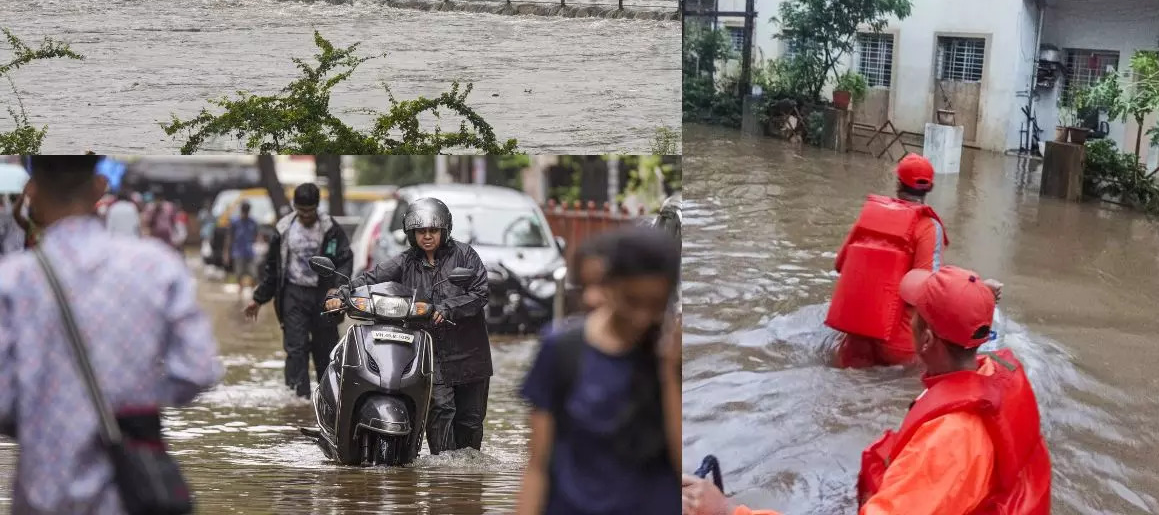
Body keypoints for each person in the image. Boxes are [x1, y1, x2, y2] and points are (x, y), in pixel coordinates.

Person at [683, 265, 1052, 515]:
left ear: (925, 339)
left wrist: (729, 510)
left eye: (914, 315)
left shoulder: (950, 440)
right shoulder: (992, 370)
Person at [0, 155, 223, 514]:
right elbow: (198, 371)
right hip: (132, 491)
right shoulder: (157, 267)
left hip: (42, 493)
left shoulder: (12, 281)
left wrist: (48, 409)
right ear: (99, 188)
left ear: (31, 192)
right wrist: (135, 398)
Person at [516, 227, 682, 515]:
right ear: (610, 286)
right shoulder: (562, 350)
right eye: (633, 301)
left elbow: (684, 465)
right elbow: (537, 465)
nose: (643, 317)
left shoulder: (671, 354)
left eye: (655, 305)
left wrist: (669, 373)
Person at [338, 197, 492, 454]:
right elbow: (371, 278)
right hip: (431, 353)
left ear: (445, 230)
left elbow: (480, 293)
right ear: (412, 234)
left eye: (433, 231)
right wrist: (341, 293)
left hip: (470, 353)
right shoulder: (404, 261)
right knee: (440, 410)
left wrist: (448, 307)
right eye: (421, 231)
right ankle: (443, 470)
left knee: (471, 420)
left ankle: (467, 482)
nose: (427, 237)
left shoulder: (465, 255)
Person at [826, 153, 949, 368]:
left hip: (856, 336)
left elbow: (840, 266)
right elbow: (926, 292)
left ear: (898, 183)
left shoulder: (871, 216)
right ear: (930, 188)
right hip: (899, 344)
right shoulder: (929, 227)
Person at [244, 183, 352, 400]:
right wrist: (258, 298)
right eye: (301, 211)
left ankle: (327, 398)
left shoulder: (330, 229)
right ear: (294, 206)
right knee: (296, 348)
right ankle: (297, 400)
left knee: (326, 349)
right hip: (293, 294)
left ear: (317, 207)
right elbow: (273, 268)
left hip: (324, 296)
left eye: (309, 211)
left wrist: (337, 289)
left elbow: (345, 260)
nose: (305, 216)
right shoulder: (284, 229)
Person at [226, 201, 259, 295]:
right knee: (239, 274)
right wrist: (227, 253)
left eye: (247, 212)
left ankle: (254, 295)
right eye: (244, 211)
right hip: (238, 252)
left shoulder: (253, 222)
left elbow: (256, 236)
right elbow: (229, 238)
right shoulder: (234, 222)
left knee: (254, 274)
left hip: (250, 252)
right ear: (241, 211)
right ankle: (240, 294)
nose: (245, 214)